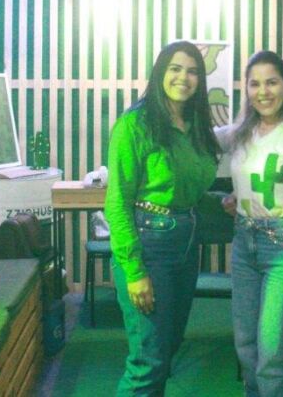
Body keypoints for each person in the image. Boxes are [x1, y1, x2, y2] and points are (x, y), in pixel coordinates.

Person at [104, 40, 220, 396]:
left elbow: (187, 191)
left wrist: (223, 203)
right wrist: (134, 271)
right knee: (148, 361)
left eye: (192, 71)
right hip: (148, 247)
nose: (184, 77)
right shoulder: (135, 124)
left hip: (186, 245)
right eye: (175, 68)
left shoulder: (195, 124)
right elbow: (117, 202)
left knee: (168, 349)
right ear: (160, 73)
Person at [218, 50, 283, 397]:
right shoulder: (239, 134)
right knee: (246, 345)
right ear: (246, 89)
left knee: (273, 350)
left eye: (272, 82)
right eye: (255, 84)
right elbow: (195, 137)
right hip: (244, 242)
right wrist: (237, 197)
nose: (263, 92)